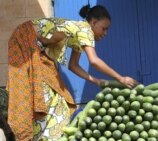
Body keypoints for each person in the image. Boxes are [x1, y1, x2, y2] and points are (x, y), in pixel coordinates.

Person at [7, 4, 138, 141]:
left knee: (59, 100)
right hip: (23, 39)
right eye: (104, 28)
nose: (105, 33)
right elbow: (94, 61)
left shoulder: (79, 33)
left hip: (38, 51)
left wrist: (96, 81)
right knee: (30, 93)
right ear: (93, 23)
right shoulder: (85, 29)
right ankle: (28, 134)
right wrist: (120, 78)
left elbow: (73, 66)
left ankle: (45, 137)